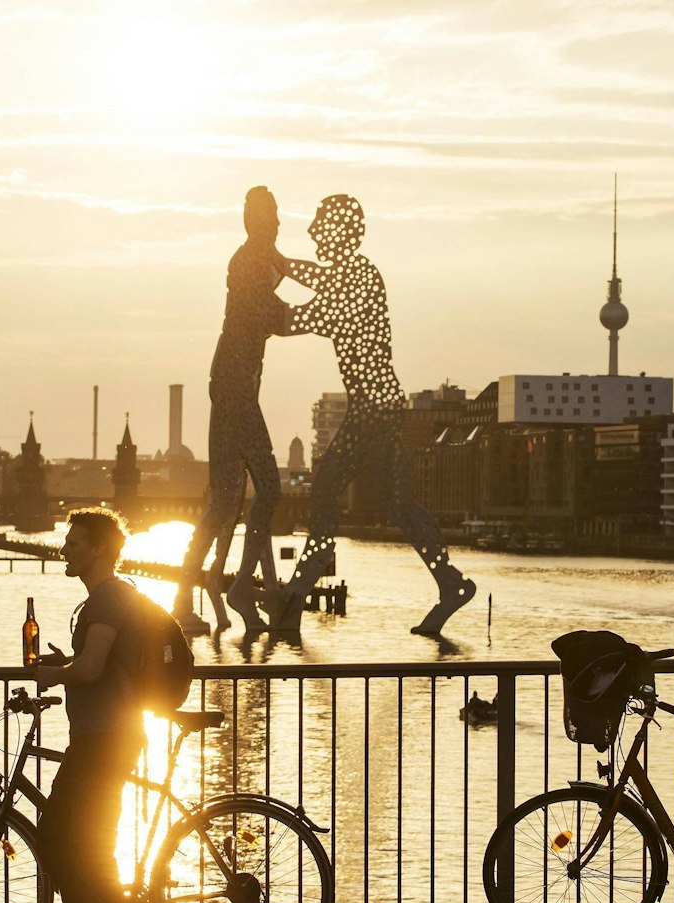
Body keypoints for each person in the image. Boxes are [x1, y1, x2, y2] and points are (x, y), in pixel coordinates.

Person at [275, 194, 474, 635]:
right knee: (401, 507)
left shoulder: (360, 276)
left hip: (371, 409)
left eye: (318, 226)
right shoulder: (350, 274)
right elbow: (320, 279)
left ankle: (292, 603)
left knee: (324, 494)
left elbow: (309, 315)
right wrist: (281, 264)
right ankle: (450, 583)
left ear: (341, 232)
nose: (311, 233)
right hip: (383, 406)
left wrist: (262, 309)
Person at [33, 507, 156, 903]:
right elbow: (96, 665)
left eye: (75, 542)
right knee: (91, 842)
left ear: (100, 549)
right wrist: (70, 663)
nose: (65, 549)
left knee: (57, 838)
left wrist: (52, 674)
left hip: (104, 737)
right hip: (110, 733)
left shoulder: (105, 600)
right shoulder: (115, 597)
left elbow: (90, 672)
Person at [174, 185, 292, 634]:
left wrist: (330, 287)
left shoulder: (261, 259)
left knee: (224, 503)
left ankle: (186, 597)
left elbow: (293, 270)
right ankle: (241, 588)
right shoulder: (248, 264)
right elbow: (278, 317)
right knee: (271, 489)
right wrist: (331, 315)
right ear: (254, 222)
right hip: (236, 391)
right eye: (273, 217)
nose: (280, 224)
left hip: (232, 387)